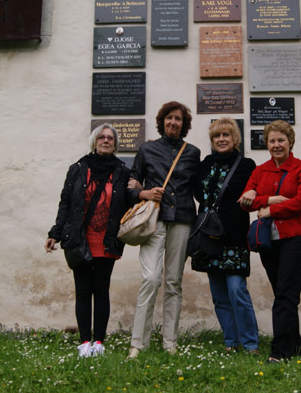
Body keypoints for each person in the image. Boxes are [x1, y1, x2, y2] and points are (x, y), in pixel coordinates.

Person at [45, 124, 136, 358]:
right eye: (101, 137)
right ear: (94, 142)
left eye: (110, 138)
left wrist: (140, 189)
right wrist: (55, 233)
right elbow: (66, 203)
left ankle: (99, 342)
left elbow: (130, 201)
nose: (106, 141)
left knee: (101, 289)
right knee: (83, 291)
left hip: (107, 240)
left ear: (115, 144)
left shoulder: (122, 172)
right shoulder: (77, 169)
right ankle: (85, 341)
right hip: (80, 239)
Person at [127, 101, 200, 358]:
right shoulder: (146, 149)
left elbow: (198, 188)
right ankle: (138, 344)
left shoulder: (192, 152)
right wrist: (144, 193)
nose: (173, 122)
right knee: (150, 279)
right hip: (154, 219)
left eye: (178, 119)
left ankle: (170, 343)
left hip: (182, 219)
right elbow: (131, 184)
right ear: (162, 121)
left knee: (173, 282)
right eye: (169, 118)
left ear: (184, 124)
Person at [238, 120, 301, 363]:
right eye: (272, 141)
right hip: (268, 241)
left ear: (290, 142)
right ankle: (296, 345)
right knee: (283, 293)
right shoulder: (260, 171)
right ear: (267, 144)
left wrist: (271, 210)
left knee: (286, 295)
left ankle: (280, 352)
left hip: (294, 239)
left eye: (281, 140)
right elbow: (244, 202)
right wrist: (269, 200)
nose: (276, 145)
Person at [191, 118, 259, 353]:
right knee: (219, 295)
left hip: (234, 236)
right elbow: (194, 189)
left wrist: (253, 192)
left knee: (237, 290)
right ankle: (231, 342)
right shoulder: (204, 164)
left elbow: (255, 189)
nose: (221, 139)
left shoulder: (247, 165)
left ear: (235, 138)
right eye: (217, 136)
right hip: (209, 238)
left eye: (226, 135)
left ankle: (250, 343)